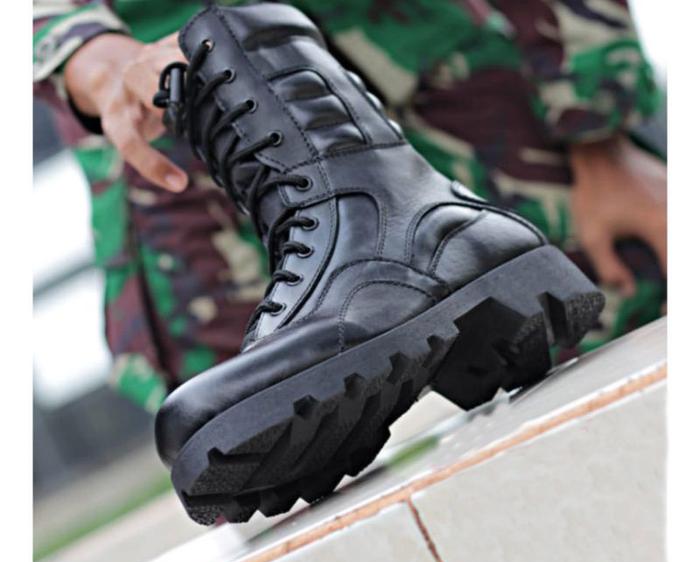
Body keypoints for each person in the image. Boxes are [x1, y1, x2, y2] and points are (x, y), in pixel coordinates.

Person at [33, 0, 666, 414]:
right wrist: (93, 56)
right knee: (274, 470)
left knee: (624, 380)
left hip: (453, 94)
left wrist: (598, 128)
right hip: (190, 164)